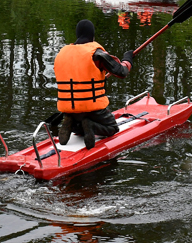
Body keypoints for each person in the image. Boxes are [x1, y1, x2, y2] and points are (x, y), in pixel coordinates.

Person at [53, 19, 134, 149]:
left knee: (78, 123)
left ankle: (70, 121)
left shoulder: (61, 54)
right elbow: (122, 72)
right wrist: (128, 58)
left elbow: (79, 78)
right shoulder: (97, 54)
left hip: (69, 109)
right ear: (92, 36)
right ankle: (91, 125)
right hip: (93, 109)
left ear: (77, 34)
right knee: (112, 128)